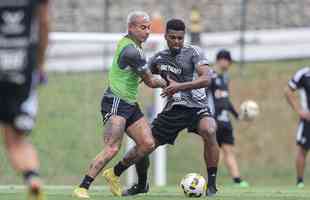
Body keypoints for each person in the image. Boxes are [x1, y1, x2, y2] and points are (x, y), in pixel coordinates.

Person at [104, 18, 220, 197]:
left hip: (197, 108)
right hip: (173, 111)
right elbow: (143, 76)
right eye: (172, 37)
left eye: (180, 38)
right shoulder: (159, 58)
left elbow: (206, 79)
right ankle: (138, 183)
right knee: (145, 145)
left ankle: (211, 185)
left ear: (184, 37)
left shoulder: (194, 52)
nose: (176, 42)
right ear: (165, 36)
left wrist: (178, 87)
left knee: (210, 129)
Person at [73, 11, 167, 198]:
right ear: (131, 27)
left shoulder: (135, 46)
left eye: (148, 27)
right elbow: (149, 81)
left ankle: (114, 174)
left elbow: (139, 78)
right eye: (143, 27)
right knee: (112, 148)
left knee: (147, 144)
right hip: (115, 101)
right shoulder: (131, 50)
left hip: (130, 103)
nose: (147, 31)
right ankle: (82, 187)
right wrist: (171, 82)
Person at [0, 0, 49, 199]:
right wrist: (40, 64)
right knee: (16, 140)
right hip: (21, 68)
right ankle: (32, 178)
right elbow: (44, 22)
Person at [209, 50, 249, 187]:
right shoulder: (209, 76)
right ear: (221, 60)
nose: (229, 64)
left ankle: (237, 180)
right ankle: (211, 179)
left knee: (228, 150)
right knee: (215, 151)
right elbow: (205, 98)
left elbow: (226, 101)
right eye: (228, 61)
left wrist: (236, 115)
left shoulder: (225, 78)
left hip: (225, 122)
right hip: (213, 121)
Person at [285, 66, 310, 188]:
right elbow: (288, 91)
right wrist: (299, 111)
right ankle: (300, 181)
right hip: (308, 121)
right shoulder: (304, 74)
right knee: (303, 150)